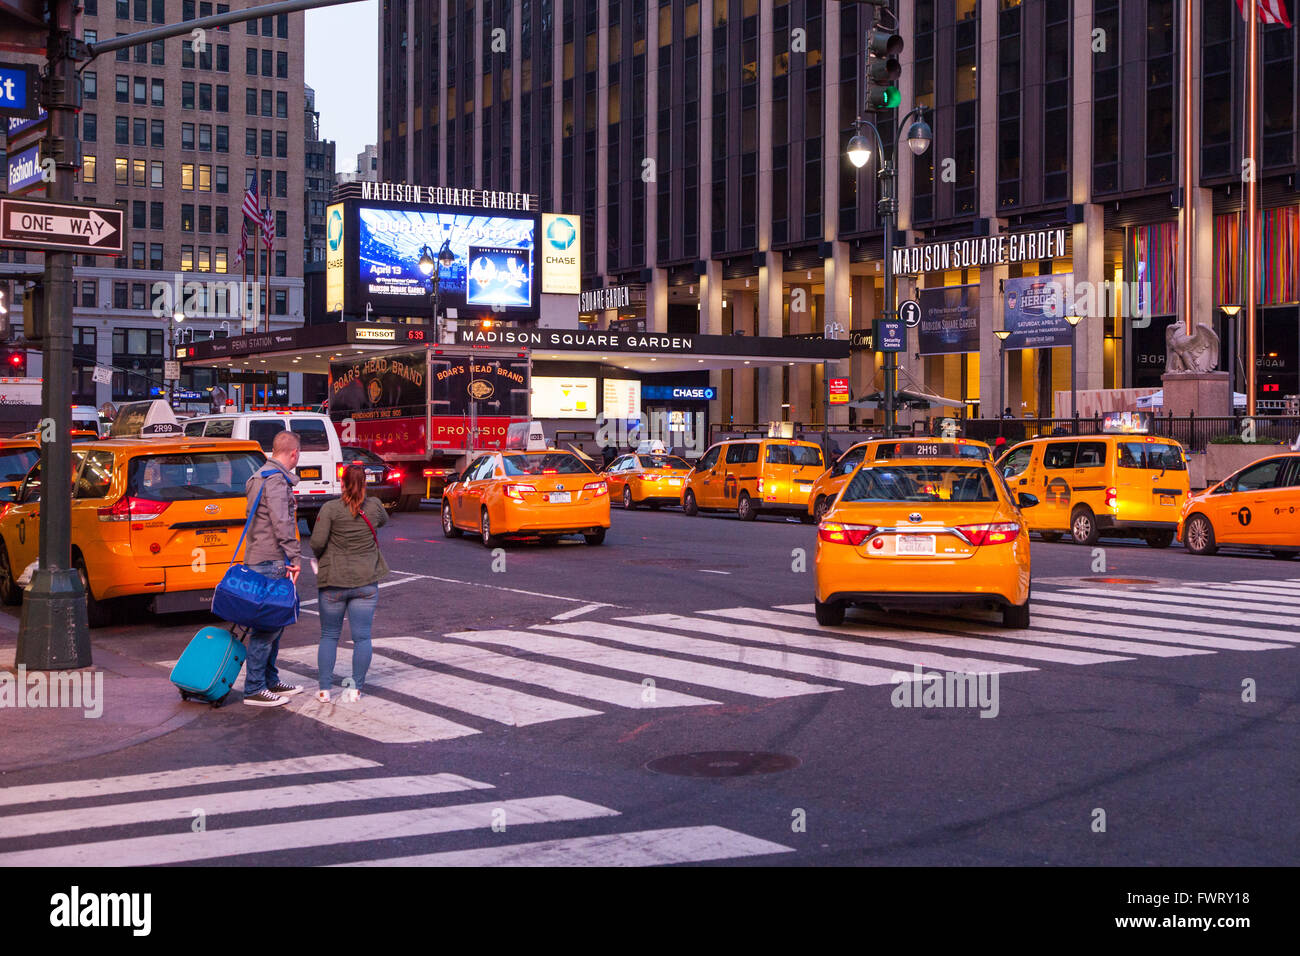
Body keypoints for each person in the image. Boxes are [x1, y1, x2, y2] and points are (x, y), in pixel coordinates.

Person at [309, 464, 389, 703]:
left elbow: (316, 542)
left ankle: (324, 690)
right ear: (365, 483)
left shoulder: (330, 508)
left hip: (333, 581)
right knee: (362, 637)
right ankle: (355, 689)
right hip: (366, 581)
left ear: (342, 483)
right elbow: (382, 521)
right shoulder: (373, 506)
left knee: (329, 635)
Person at [241, 429, 304, 707]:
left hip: (257, 555)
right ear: (293, 453)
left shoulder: (257, 477)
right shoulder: (277, 481)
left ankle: (270, 680)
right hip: (271, 559)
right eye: (298, 454)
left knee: (274, 623)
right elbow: (282, 523)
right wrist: (295, 557)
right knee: (267, 628)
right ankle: (255, 687)